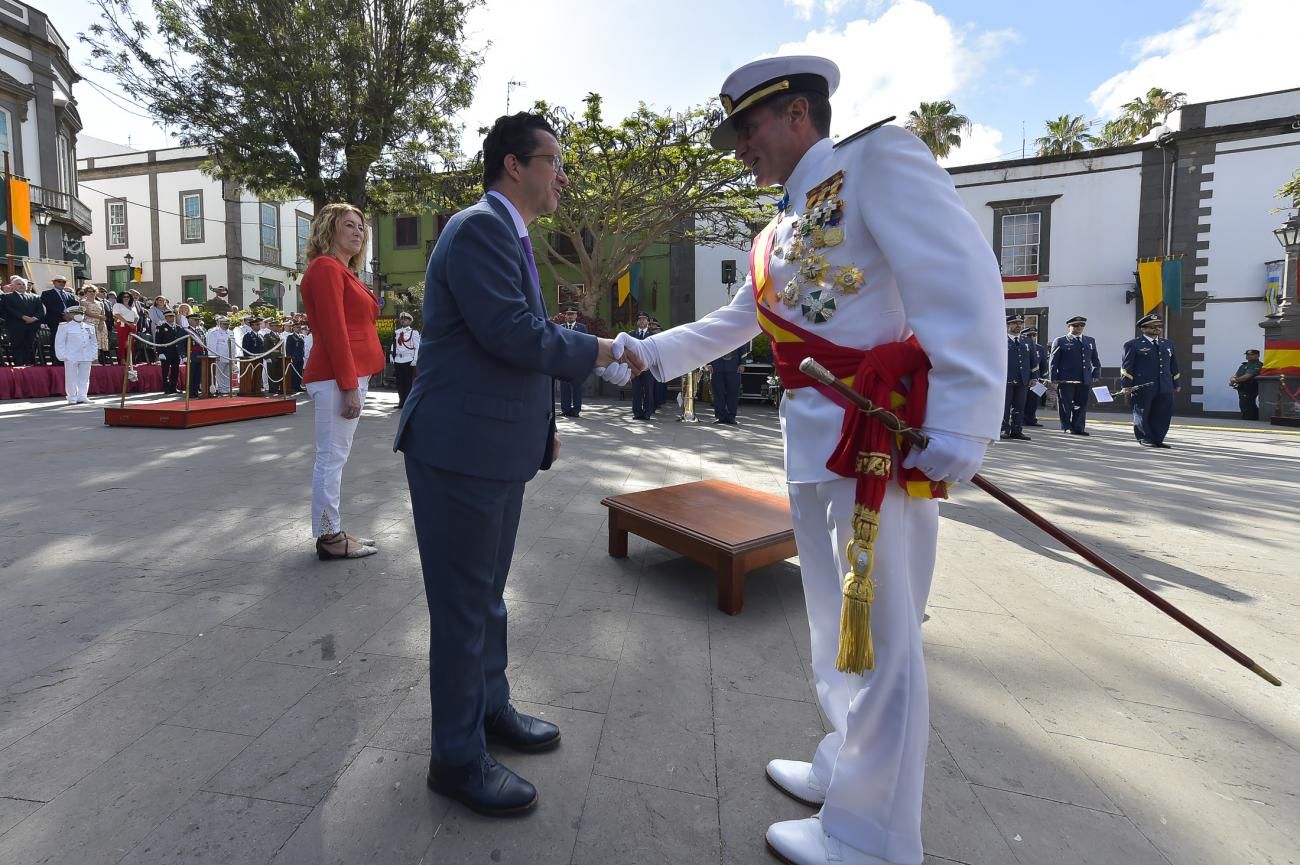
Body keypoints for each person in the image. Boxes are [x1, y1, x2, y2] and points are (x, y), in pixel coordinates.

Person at [612, 57, 1004, 865]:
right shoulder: (774, 232)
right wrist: (647, 353)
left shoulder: (877, 163)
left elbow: (959, 274)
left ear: (797, 114)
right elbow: (733, 322)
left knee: (886, 642)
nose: (740, 149)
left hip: (878, 453)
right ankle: (846, 767)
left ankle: (872, 836)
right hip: (814, 450)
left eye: (747, 130)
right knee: (837, 633)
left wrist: (964, 419)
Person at [393, 112, 634, 818]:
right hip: (458, 449)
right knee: (465, 606)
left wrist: (541, 427)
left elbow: (504, 352)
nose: (562, 175)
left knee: (487, 599)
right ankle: (457, 758)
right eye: (553, 160)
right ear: (512, 166)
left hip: (491, 445)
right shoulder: (478, 229)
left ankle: (490, 710)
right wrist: (605, 349)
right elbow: (513, 335)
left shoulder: (509, 234)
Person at [301, 203, 385, 560]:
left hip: (345, 376)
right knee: (331, 458)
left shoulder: (342, 270)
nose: (358, 232)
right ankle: (329, 537)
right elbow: (334, 331)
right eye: (348, 225)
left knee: (336, 456)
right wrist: (350, 384)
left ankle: (332, 531)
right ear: (328, 230)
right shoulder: (325, 268)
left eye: (361, 227)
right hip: (338, 377)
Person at [1121, 312, 1180, 448]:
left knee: (1163, 413)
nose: (1156, 329)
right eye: (1152, 326)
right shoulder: (1133, 345)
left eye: (1159, 326)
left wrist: (1176, 382)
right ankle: (1145, 437)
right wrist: (1126, 385)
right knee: (1142, 412)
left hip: (1165, 385)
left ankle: (1158, 438)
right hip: (1143, 386)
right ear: (1143, 328)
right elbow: (1126, 367)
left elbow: (1174, 365)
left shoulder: (1168, 344)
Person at [1049, 315, 1101, 435]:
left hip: (1084, 377)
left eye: (1082, 325)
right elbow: (1053, 361)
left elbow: (1095, 359)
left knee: (1081, 403)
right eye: (1076, 325)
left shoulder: (1090, 340)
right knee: (1065, 404)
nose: (1079, 328)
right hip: (1066, 378)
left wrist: (1096, 372)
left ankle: (1078, 427)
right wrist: (1053, 377)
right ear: (1069, 326)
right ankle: (1066, 426)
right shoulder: (1061, 341)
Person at [1002, 314, 1036, 441]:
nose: (1018, 326)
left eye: (1020, 323)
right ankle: (1004, 429)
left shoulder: (1027, 341)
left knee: (1020, 406)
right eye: (1015, 323)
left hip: (1023, 379)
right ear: (1008, 325)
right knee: (1004, 406)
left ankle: (1017, 430)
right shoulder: (1001, 340)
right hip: (1006, 379)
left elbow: (1034, 361)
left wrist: (1034, 377)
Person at [54, 305, 97, 403]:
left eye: (81, 313)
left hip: (86, 355)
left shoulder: (89, 326)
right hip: (71, 355)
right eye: (76, 313)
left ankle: (82, 395)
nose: (79, 315)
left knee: (84, 377)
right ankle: (72, 397)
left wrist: (93, 354)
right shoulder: (64, 326)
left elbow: (93, 342)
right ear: (70, 315)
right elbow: (59, 342)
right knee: (71, 377)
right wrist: (61, 355)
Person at [2, 276, 44, 365]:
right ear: (13, 286)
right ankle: (19, 364)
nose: (21, 286)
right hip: (16, 325)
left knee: (30, 345)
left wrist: (34, 318)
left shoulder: (35, 297)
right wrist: (22, 317)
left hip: (32, 326)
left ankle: (29, 363)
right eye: (18, 284)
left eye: (23, 284)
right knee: (17, 345)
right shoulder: (6, 297)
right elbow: (8, 309)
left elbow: (40, 310)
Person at [556, 306, 587, 416]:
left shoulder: (582, 328)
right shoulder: (560, 327)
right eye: (568, 314)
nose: (570, 316)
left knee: (576, 387)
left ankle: (576, 410)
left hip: (577, 363)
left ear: (576, 315)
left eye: (572, 314)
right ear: (565, 316)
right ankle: (565, 409)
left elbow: (584, 345)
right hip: (564, 362)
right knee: (564, 387)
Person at [40, 276, 77, 365]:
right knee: (56, 341)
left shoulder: (70, 295)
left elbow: (76, 306)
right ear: (54, 282)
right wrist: (63, 314)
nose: (61, 283)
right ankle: (56, 361)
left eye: (63, 282)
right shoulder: (46, 293)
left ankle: (67, 360)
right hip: (55, 321)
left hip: (69, 321)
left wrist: (71, 315)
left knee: (68, 342)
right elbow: (49, 306)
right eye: (59, 281)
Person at [708, 345, 746, 424]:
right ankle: (720, 417)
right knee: (718, 393)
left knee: (733, 393)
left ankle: (731, 417)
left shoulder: (737, 333)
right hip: (717, 367)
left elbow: (743, 347)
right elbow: (708, 347)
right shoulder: (713, 332)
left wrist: (742, 363)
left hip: (734, 367)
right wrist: (709, 364)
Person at [390, 311, 420, 408]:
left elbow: (417, 347)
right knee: (399, 383)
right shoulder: (397, 332)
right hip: (398, 360)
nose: (403, 321)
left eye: (405, 319)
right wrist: (392, 357)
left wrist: (415, 360)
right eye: (402, 319)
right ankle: (401, 402)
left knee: (408, 383)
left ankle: (408, 403)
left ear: (410, 321)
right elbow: (393, 346)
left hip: (408, 360)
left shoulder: (413, 333)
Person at [1020, 327, 1048, 426]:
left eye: (1034, 335)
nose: (1032, 337)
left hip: (1036, 379)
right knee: (1022, 401)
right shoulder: (1020, 346)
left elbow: (1044, 363)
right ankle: (1021, 419)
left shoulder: (1039, 348)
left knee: (1034, 401)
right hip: (1023, 378)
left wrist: (1044, 378)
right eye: (1029, 335)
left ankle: (1031, 419)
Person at [630, 312, 655, 420]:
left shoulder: (653, 336)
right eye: (640, 319)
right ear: (637, 322)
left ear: (648, 322)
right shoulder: (631, 334)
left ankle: (647, 412)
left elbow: (655, 351)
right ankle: (637, 412)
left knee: (648, 390)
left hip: (648, 368)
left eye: (644, 319)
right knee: (636, 391)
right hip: (635, 368)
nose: (642, 321)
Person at [206, 315, 239, 395]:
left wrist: (234, 358)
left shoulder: (230, 332)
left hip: (229, 357)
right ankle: (221, 390)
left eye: (227, 324)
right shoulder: (214, 333)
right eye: (224, 324)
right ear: (220, 324)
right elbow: (211, 346)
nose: (226, 325)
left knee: (228, 374)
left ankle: (227, 389)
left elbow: (233, 347)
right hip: (219, 357)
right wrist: (213, 356)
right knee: (220, 375)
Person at [78, 285, 110, 364]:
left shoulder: (100, 303)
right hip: (88, 324)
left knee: (98, 343)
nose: (92, 293)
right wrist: (101, 317)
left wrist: (101, 323)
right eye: (89, 291)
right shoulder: (82, 302)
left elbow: (104, 314)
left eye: (93, 291)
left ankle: (96, 359)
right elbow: (88, 313)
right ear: (86, 293)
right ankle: (90, 360)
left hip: (100, 324)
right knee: (89, 342)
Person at [155, 309, 183, 394]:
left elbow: (180, 341)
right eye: (169, 316)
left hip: (175, 352)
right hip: (166, 351)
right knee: (165, 371)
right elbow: (158, 341)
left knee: (175, 370)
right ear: (165, 317)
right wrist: (160, 352)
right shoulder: (161, 327)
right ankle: (166, 387)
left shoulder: (178, 327)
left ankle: (173, 387)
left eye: (173, 316)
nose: (172, 318)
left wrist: (181, 353)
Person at [180, 311, 208, 397]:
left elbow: (204, 343)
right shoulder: (185, 331)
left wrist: (206, 354)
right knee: (191, 375)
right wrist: (184, 356)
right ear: (189, 320)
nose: (197, 321)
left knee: (199, 374)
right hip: (192, 355)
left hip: (201, 354)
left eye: (198, 320)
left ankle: (195, 391)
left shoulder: (201, 330)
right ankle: (190, 392)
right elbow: (181, 344)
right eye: (195, 320)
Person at [1230, 349, 1263, 420]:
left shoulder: (1258, 364)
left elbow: (1248, 375)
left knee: (1247, 404)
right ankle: (1246, 417)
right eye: (1247, 355)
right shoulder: (1243, 365)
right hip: (1242, 387)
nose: (1249, 356)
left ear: (1257, 355)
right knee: (1243, 404)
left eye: (1251, 354)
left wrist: (1236, 380)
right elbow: (1236, 375)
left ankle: (1251, 418)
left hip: (1250, 387)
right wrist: (1232, 379)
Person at [112, 291, 141, 365]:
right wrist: (127, 323)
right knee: (122, 342)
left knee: (131, 343)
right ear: (121, 298)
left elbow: (137, 316)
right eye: (124, 297)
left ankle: (130, 359)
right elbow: (117, 315)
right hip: (123, 325)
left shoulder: (132, 306)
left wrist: (134, 323)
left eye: (128, 297)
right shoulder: (117, 305)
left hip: (133, 326)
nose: (126, 298)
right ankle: (122, 359)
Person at [284, 323, 306, 393]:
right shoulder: (290, 337)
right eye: (297, 327)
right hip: (294, 358)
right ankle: (293, 387)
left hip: (300, 357)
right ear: (293, 328)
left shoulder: (301, 337)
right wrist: (290, 357)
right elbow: (288, 348)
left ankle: (298, 386)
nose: (298, 328)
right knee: (293, 373)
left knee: (299, 372)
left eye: (299, 327)